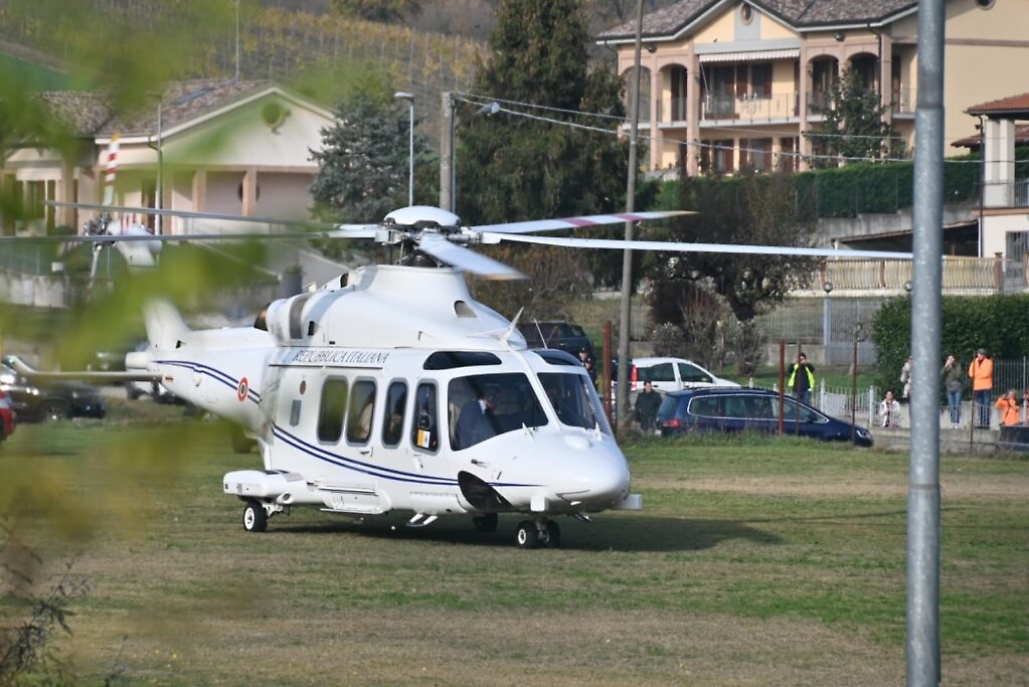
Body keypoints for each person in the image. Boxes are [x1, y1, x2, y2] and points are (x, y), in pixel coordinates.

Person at [968, 348, 994, 429]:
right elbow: (970, 373)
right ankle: (982, 423)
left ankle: (986, 424)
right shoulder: (974, 362)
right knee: (980, 406)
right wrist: (978, 375)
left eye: (981, 354)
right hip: (977, 387)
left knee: (986, 405)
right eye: (979, 354)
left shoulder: (989, 362)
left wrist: (977, 375)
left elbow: (986, 373)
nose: (979, 355)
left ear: (984, 355)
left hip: (986, 387)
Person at [940, 354, 963, 427]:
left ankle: (957, 422)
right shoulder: (947, 367)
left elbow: (957, 375)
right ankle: (952, 422)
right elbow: (941, 374)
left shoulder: (957, 365)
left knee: (957, 406)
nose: (950, 360)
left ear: (954, 359)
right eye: (949, 359)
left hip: (957, 388)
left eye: (951, 358)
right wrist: (945, 367)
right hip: (949, 389)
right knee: (951, 406)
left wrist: (951, 368)